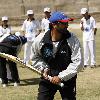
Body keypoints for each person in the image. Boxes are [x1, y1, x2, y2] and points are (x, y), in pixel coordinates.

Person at [32, 11, 82, 100]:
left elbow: (78, 62)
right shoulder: (40, 40)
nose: (67, 25)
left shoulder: (72, 39)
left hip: (67, 78)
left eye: (67, 22)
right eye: (64, 23)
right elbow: (35, 57)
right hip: (48, 77)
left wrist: (60, 77)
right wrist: (44, 68)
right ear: (54, 25)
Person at [0, 16, 12, 83]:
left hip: (8, 46)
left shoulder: (9, 27)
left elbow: (9, 35)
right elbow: (2, 36)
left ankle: (9, 77)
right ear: (2, 21)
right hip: (1, 46)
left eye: (6, 21)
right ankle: (1, 77)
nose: (5, 22)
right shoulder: (0, 28)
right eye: (4, 21)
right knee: (1, 63)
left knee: (8, 62)